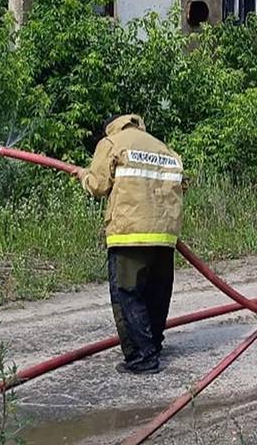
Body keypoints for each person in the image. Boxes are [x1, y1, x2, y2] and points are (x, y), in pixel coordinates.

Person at [79, 114, 185, 375]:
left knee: (128, 294)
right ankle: (153, 346)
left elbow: (98, 185)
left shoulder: (112, 142)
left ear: (113, 125)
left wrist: (82, 175)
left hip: (129, 234)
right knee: (157, 293)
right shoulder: (164, 148)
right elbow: (182, 186)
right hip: (164, 235)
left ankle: (142, 357)